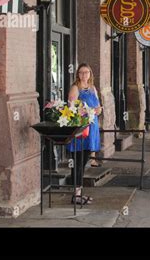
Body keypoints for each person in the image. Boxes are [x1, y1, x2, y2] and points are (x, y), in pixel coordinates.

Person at [67, 63, 103, 205]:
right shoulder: (75, 88)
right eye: (81, 72)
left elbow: (98, 107)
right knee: (78, 162)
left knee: (84, 162)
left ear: (90, 74)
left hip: (92, 128)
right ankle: (76, 194)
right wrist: (83, 112)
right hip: (81, 129)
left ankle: (79, 193)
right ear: (78, 74)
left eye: (86, 72)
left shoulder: (93, 88)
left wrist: (97, 110)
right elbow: (71, 108)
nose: (84, 75)